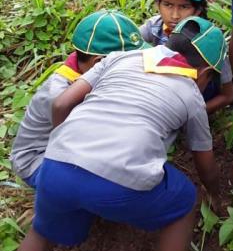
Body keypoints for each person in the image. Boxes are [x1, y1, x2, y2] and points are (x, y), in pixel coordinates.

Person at [0, 17, 225, 251]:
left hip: (58, 164)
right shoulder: (190, 92)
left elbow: (63, 102)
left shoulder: (123, 57)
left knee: (41, 234)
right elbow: (204, 162)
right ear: (204, 73)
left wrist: (66, 145)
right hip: (121, 180)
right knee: (186, 203)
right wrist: (215, 194)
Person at [10, 10, 144, 189]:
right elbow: (85, 142)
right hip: (38, 160)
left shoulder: (84, 68)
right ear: (99, 63)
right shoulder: (61, 94)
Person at [140, 0, 233, 113]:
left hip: (197, 100)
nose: (175, 15)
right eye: (168, 5)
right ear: (157, 5)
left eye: (184, 7)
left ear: (197, 10)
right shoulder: (154, 27)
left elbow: (228, 95)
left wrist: (193, 113)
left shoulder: (210, 41)